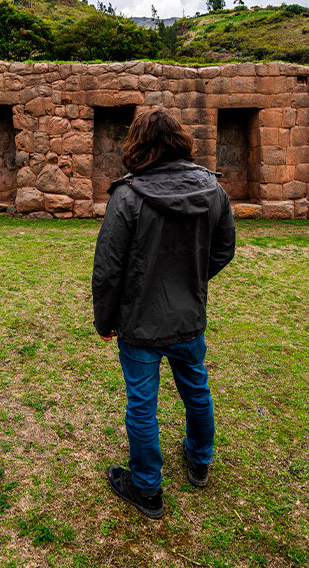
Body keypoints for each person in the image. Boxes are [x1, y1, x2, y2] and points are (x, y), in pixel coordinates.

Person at [92, 108, 235, 519]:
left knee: (142, 403)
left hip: (140, 320)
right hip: (186, 317)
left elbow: (108, 270)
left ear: (139, 143)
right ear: (180, 140)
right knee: (196, 390)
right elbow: (223, 248)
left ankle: (148, 487)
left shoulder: (129, 195)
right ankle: (199, 459)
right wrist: (192, 280)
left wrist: (106, 320)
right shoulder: (211, 190)